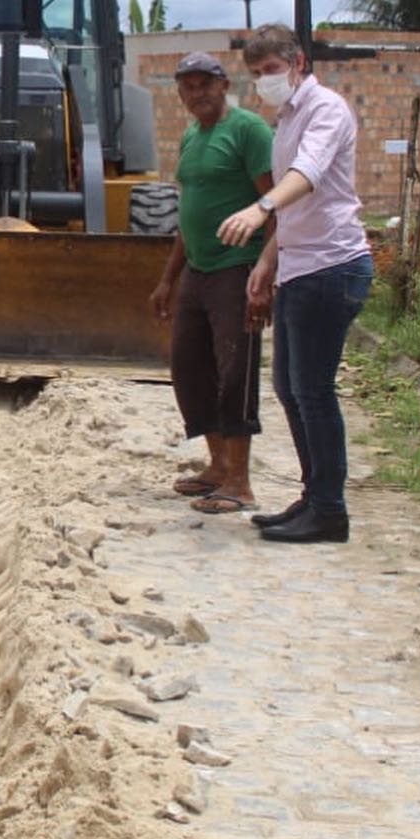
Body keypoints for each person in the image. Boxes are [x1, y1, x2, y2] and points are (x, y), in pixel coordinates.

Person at [217, 22, 373, 544]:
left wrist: (260, 208)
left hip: (331, 266)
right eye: (256, 73)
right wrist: (268, 260)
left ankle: (329, 509)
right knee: (289, 387)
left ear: (298, 63)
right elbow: (298, 206)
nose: (264, 80)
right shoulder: (286, 118)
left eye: (272, 69)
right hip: (299, 266)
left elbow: (305, 177)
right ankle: (313, 496)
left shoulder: (325, 110)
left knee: (313, 390)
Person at [150, 51, 275, 515]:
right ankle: (218, 464)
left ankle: (240, 482)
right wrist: (168, 279)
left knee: (235, 370)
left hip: (237, 268)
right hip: (198, 271)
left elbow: (274, 206)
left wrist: (266, 271)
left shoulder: (248, 131)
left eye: (204, 84)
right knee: (190, 368)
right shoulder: (192, 136)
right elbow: (191, 211)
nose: (196, 93)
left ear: (224, 85)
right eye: (187, 86)